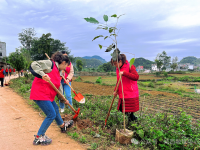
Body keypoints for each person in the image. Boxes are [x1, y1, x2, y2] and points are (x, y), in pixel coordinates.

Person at [30, 51, 74, 146]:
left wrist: (63, 100)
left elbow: (59, 89)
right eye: (66, 66)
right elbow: (34, 64)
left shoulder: (58, 73)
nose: (66, 68)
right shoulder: (50, 64)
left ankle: (62, 126)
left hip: (48, 96)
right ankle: (39, 137)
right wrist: (42, 75)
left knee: (55, 109)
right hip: (40, 94)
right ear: (63, 63)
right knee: (51, 114)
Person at [111, 53, 139, 124]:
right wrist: (115, 91)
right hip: (122, 93)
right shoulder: (118, 68)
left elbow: (136, 77)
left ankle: (132, 123)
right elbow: (118, 81)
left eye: (115, 63)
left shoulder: (130, 66)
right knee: (121, 108)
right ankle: (134, 120)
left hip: (130, 93)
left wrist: (124, 73)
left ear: (120, 61)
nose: (115, 65)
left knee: (129, 111)